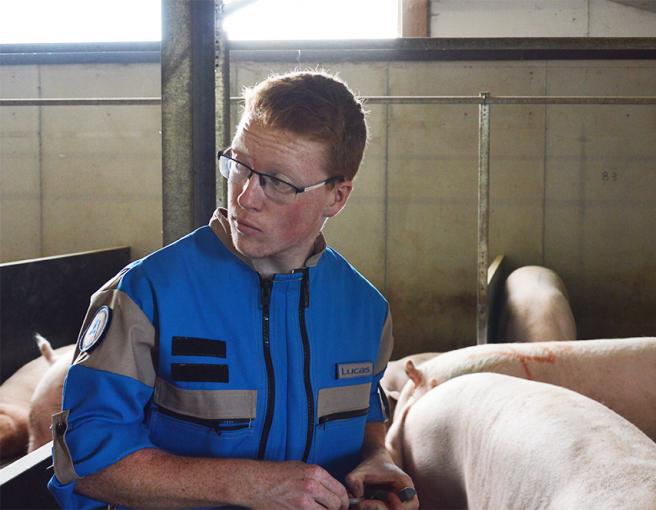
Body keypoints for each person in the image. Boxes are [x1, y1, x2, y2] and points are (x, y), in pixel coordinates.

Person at [48, 71, 418, 509]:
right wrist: (249, 485)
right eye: (240, 165)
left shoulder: (366, 311)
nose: (245, 196)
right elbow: (87, 462)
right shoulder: (144, 295)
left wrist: (376, 460)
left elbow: (366, 417)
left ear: (336, 197)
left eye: (278, 182)